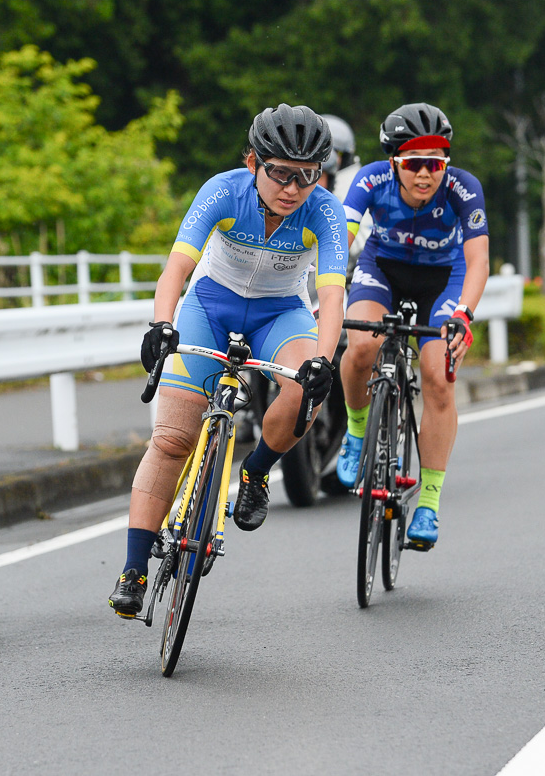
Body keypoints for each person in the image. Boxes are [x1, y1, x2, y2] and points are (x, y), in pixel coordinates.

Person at [108, 104, 347, 618]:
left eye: (305, 176)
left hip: (280, 314)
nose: (291, 187)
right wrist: (160, 323)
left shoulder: (324, 211)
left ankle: (257, 472)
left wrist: (324, 360)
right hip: (209, 306)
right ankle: (132, 569)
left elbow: (330, 295)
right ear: (252, 162)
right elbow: (178, 266)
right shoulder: (222, 190)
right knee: (173, 439)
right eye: (279, 172)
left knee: (306, 387)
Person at [335, 103, 489, 551]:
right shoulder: (370, 182)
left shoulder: (463, 188)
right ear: (393, 163)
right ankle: (356, 430)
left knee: (439, 378)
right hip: (383, 269)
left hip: (445, 279)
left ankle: (428, 503)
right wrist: (323, 295)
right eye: (415, 164)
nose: (426, 175)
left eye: (435, 164)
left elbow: (478, 261)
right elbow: (340, 240)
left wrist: (464, 314)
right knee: (361, 345)